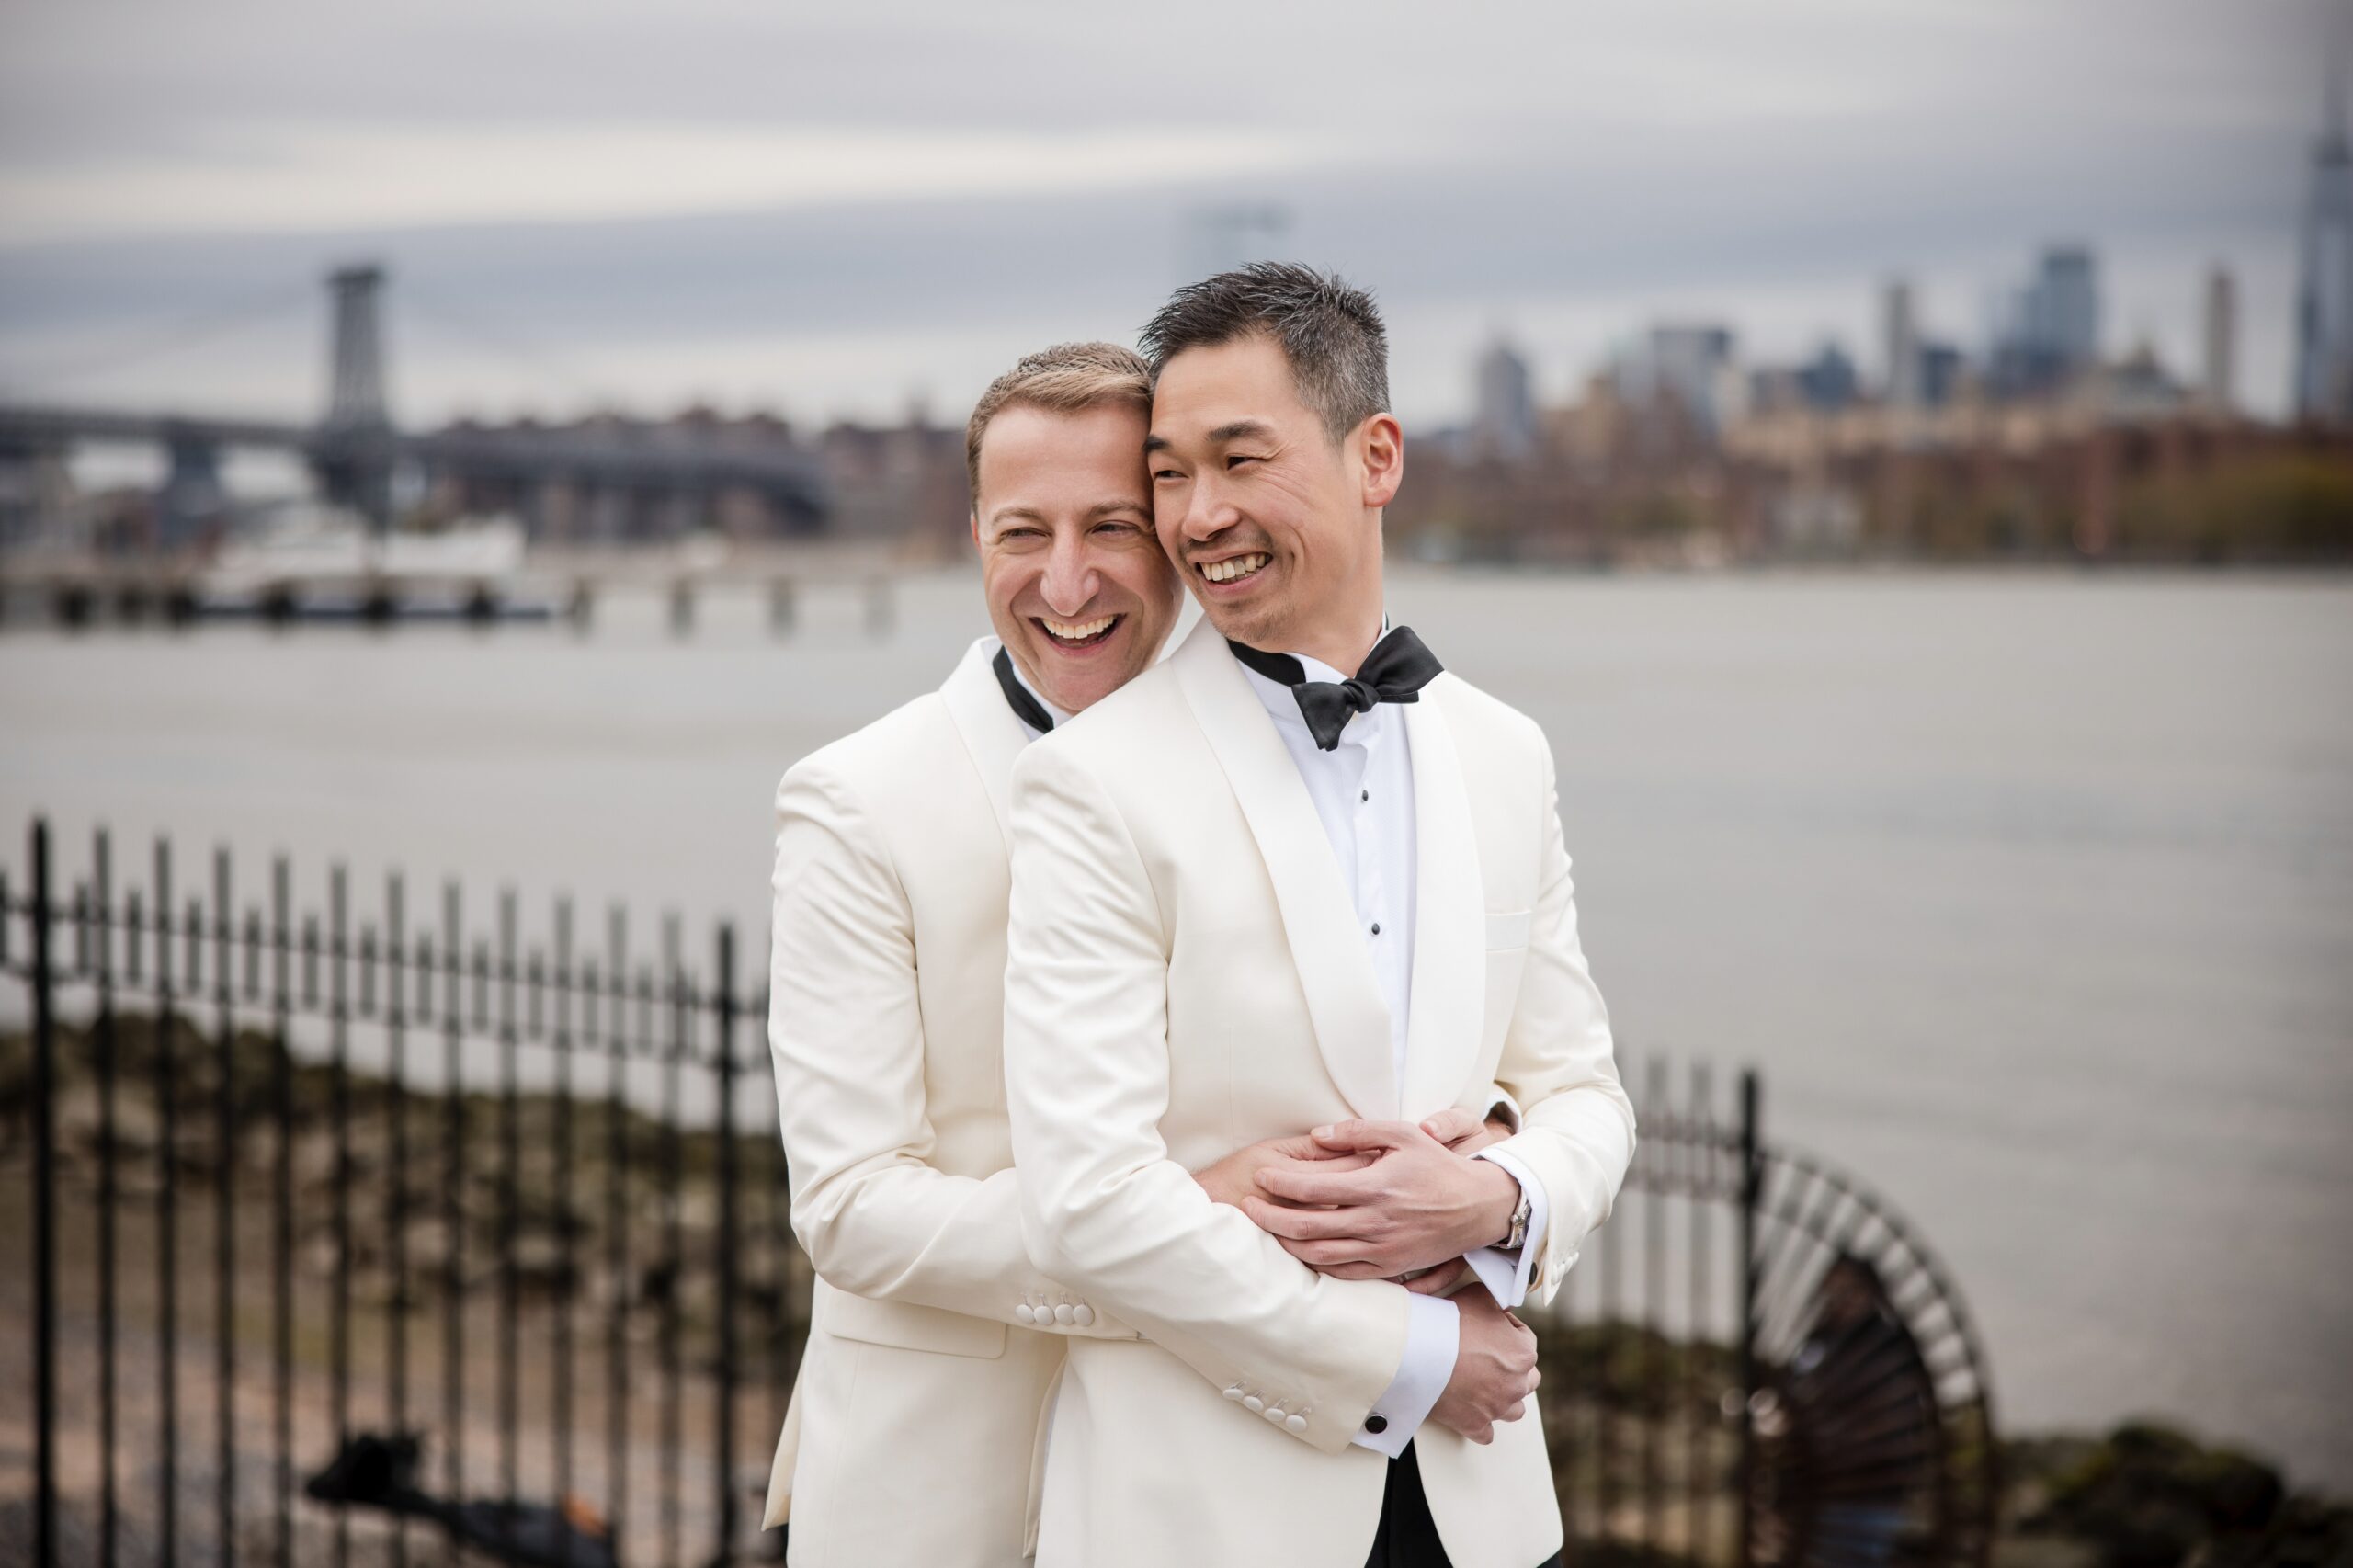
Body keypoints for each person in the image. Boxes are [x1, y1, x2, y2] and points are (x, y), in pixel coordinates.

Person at [760, 340, 1512, 1567]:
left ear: (1174, 525)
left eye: (1112, 525)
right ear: (971, 534)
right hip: (944, 1486)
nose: (1066, 583)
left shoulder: (1298, 755)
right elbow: (849, 1206)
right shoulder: (858, 801)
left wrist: (1490, 1142)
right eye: (1021, 532)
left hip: (1213, 1487)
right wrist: (1175, 1213)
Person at [1001, 264, 1638, 1568]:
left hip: (1484, 1513)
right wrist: (1410, 1354)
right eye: (1170, 473)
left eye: (1241, 459)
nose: (1199, 515)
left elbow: (1586, 1094)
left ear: (1377, 456)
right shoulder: (1092, 781)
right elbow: (1088, 1199)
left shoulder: (1504, 752)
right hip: (1198, 1519)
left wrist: (1492, 1198)